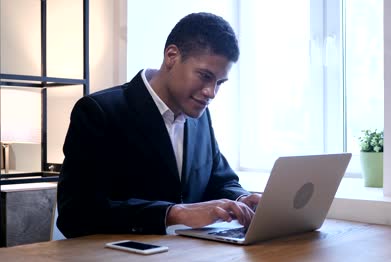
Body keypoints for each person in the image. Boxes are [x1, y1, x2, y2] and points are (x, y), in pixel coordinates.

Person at [57, 12, 261, 238]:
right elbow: (75, 213)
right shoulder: (99, 112)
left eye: (219, 83)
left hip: (191, 255)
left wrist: (243, 200)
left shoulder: (201, 116)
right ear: (172, 56)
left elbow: (221, 180)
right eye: (204, 76)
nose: (211, 92)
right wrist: (173, 213)